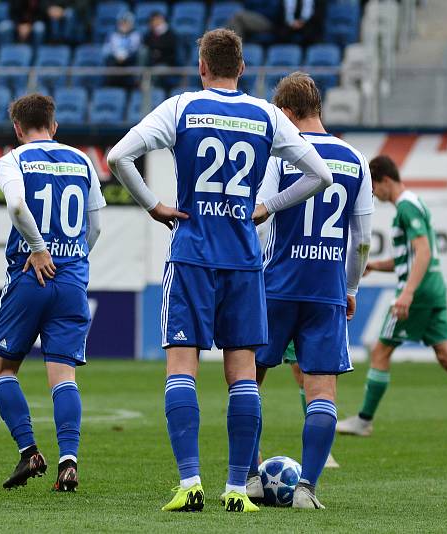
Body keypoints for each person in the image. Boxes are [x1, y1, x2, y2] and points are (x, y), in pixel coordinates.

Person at [107, 29, 332, 513]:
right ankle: (235, 489)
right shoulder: (268, 115)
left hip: (191, 254)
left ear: (202, 66)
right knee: (243, 374)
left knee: (182, 366)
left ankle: (190, 484)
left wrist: (152, 205)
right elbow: (321, 176)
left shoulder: (182, 107)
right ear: (243, 68)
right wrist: (268, 205)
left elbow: (117, 156)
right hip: (244, 261)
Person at [250, 72, 373, 509]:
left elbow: (257, 215)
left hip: (275, 285)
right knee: (322, 393)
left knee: (248, 381)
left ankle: (249, 476)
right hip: (326, 291)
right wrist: (351, 286)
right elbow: (361, 240)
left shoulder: (278, 156)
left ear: (285, 113)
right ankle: (306, 489)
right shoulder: (356, 159)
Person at [0, 94, 106, 491]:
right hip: (72, 279)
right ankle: (68, 461)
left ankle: (29, 452)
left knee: (2, 369)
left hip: (29, 275)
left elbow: (17, 206)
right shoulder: (83, 159)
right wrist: (72, 257)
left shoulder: (12, 160)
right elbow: (95, 226)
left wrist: (39, 249)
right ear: (53, 126)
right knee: (63, 376)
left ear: (18, 129)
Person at [337, 155, 447, 441]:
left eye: (374, 187)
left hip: (418, 292)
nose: (373, 193)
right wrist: (376, 265)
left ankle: (363, 420)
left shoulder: (406, 207)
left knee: (380, 351)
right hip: (433, 289)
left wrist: (407, 293)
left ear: (385, 180)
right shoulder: (416, 202)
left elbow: (423, 251)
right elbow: (410, 257)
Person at [103, 11, 141, 87]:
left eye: (126, 23)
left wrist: (125, 55)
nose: (124, 25)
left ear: (131, 24)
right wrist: (117, 55)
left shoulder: (136, 35)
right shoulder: (113, 35)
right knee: (110, 62)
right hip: (115, 60)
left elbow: (135, 48)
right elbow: (106, 49)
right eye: (122, 23)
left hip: (130, 60)